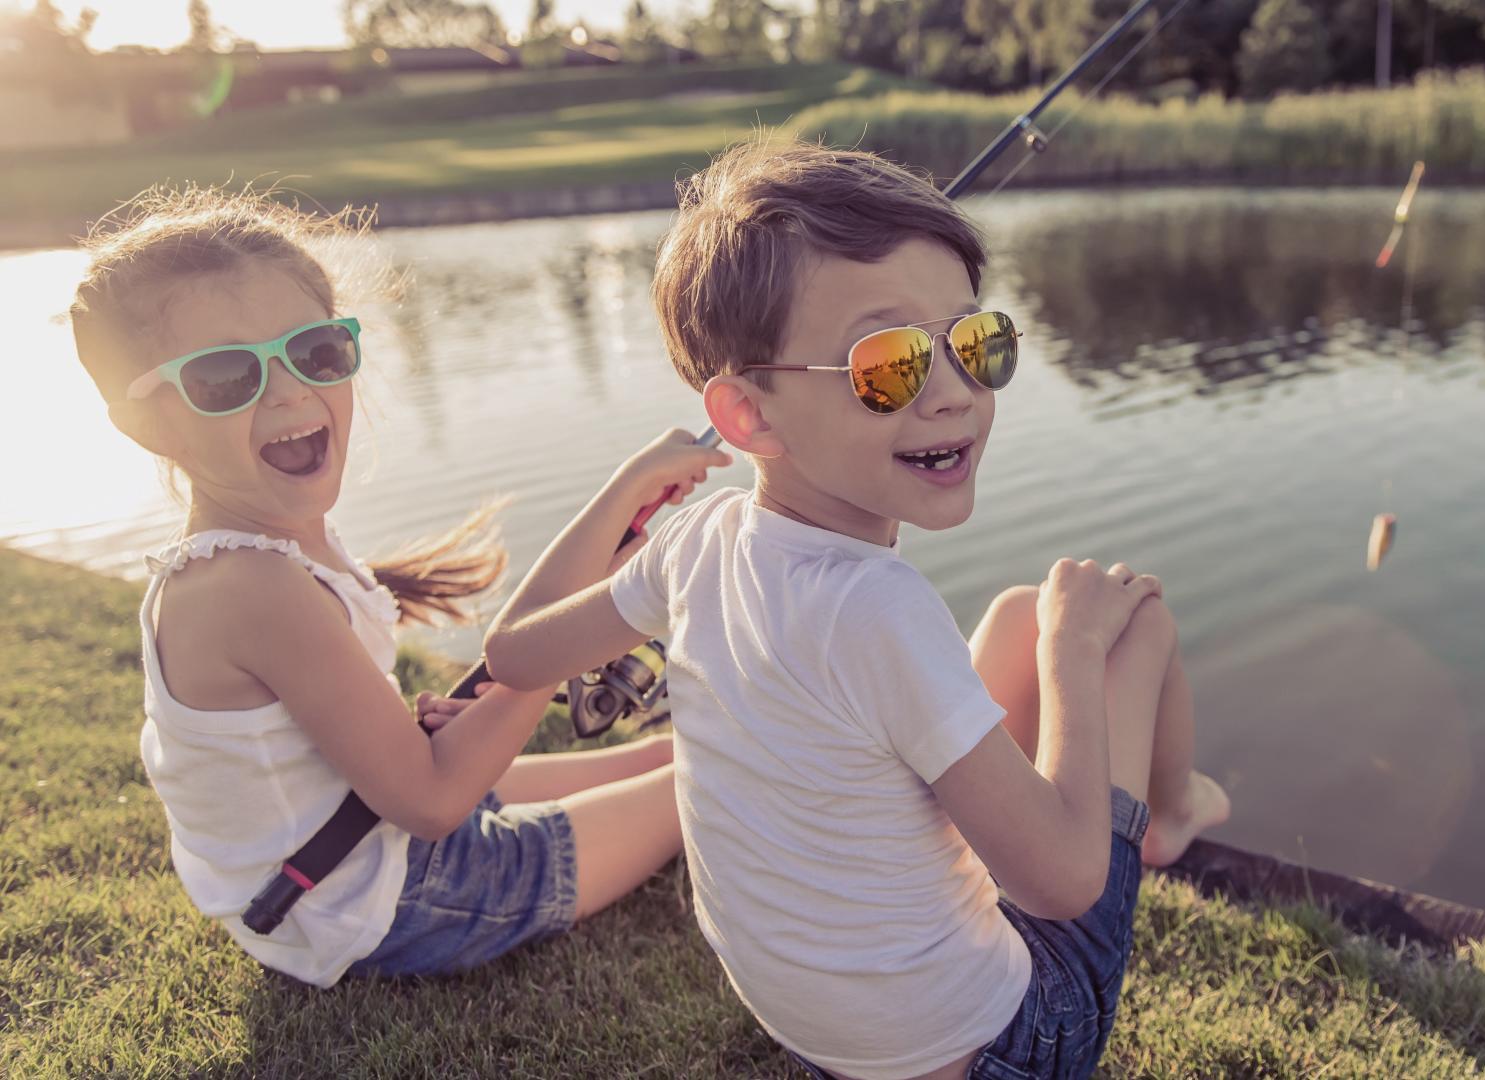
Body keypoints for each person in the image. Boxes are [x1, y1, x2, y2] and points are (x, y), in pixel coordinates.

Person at [484, 141, 1231, 1079]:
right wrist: (1074, 657)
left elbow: (512, 652)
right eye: (890, 366)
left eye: (973, 342)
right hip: (1000, 1047)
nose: (955, 393)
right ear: (749, 416)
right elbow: (1063, 885)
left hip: (820, 1029)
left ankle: (1135, 798)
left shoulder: (693, 543)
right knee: (1131, 626)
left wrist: (624, 491)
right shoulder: (876, 607)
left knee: (1013, 615)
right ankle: (1169, 814)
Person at [69, 187, 705, 986]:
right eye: (227, 375)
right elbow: (436, 800)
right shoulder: (249, 587)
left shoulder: (269, 547)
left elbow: (468, 704)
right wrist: (589, 626)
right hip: (388, 903)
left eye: (316, 351)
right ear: (146, 421)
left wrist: (623, 491)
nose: (292, 391)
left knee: (686, 748)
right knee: (715, 776)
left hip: (355, 848)